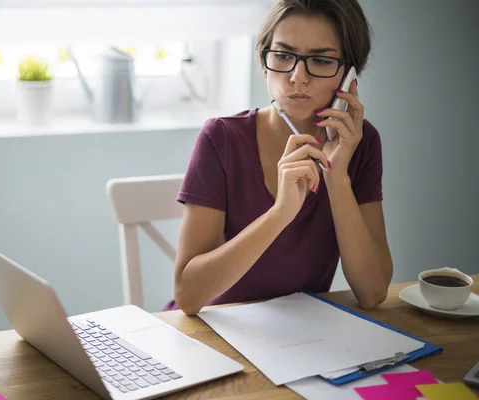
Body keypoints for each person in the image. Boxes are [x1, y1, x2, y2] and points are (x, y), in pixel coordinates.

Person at [165, 0, 393, 315]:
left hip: (300, 339)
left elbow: (373, 292)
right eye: (284, 56)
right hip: (212, 332)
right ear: (264, 61)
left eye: (321, 60)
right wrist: (281, 212)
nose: (298, 77)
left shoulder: (363, 144)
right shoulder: (221, 138)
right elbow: (188, 296)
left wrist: (337, 178)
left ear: (349, 77)